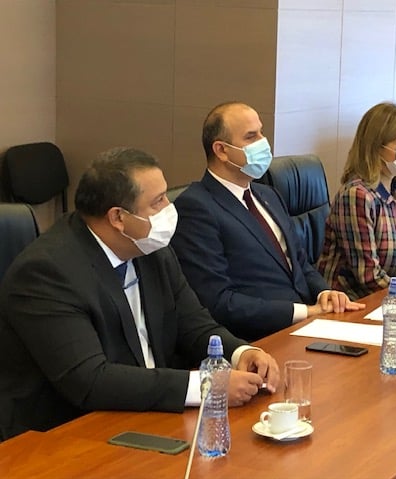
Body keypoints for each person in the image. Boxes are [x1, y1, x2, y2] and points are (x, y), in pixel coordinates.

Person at [0, 147, 279, 441]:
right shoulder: (46, 272)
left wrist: (241, 352)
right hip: (65, 434)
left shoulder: (149, 247)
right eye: (158, 201)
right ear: (118, 217)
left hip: (147, 414)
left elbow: (194, 324)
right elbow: (90, 380)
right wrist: (207, 386)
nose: (169, 208)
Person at [171, 102, 364, 342]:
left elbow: (300, 263)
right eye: (251, 136)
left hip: (309, 325)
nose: (264, 142)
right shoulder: (196, 207)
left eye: (261, 132)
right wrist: (304, 312)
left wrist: (325, 293)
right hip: (258, 338)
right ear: (221, 150)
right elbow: (218, 301)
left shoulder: (268, 195)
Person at [317, 102, 396, 299]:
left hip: (389, 297)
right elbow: (367, 276)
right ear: (376, 147)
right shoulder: (357, 195)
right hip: (351, 301)